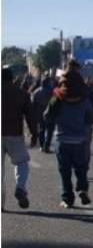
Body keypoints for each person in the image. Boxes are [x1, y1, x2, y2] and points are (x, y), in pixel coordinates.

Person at [45, 69, 93, 208]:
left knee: (64, 171)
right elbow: (91, 117)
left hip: (62, 140)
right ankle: (82, 189)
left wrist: (57, 119)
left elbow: (47, 116)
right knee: (81, 168)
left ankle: (67, 198)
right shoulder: (84, 100)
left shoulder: (57, 99)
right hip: (80, 140)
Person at [2, 67, 34, 209]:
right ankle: (20, 188)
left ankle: (1, 203)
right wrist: (34, 133)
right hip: (15, 133)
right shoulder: (22, 94)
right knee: (21, 163)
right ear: (12, 78)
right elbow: (30, 116)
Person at [31, 77, 55, 153]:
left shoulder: (36, 91)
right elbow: (54, 102)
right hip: (50, 113)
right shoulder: (52, 91)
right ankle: (46, 146)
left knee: (41, 129)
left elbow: (32, 103)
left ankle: (41, 146)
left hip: (39, 113)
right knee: (50, 130)